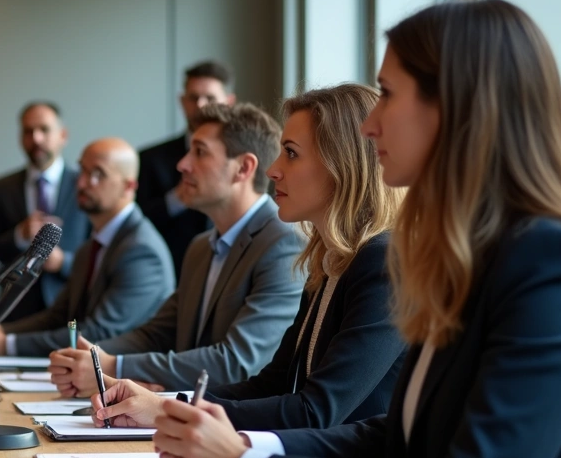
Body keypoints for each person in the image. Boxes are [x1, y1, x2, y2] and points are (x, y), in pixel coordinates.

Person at [152, 0, 561, 458]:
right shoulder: (468, 254)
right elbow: (399, 435)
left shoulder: (548, 261)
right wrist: (244, 446)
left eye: (387, 94)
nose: (370, 123)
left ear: (454, 105)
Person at [90, 84, 406, 431]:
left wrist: (167, 411)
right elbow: (271, 385)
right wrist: (163, 402)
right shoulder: (330, 261)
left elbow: (315, 412)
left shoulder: (382, 263)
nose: (273, 170)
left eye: (291, 153)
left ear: (340, 165)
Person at [50, 103, 304, 394]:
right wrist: (87, 355)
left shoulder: (283, 242)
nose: (182, 164)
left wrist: (110, 366)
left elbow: (236, 362)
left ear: (243, 168)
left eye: (200, 151)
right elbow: (156, 334)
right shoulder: (200, 248)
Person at [0, 138, 174, 356]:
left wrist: (9, 344)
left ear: (128, 186)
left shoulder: (141, 251)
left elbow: (100, 332)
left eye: (98, 174)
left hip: (126, 383)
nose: (82, 183)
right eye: (82, 170)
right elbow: (59, 316)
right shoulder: (90, 248)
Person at [0, 101, 90, 322]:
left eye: (44, 130)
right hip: (15, 309)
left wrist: (64, 262)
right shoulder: (2, 187)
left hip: (71, 306)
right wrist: (19, 235)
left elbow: (101, 249)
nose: (36, 138)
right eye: (28, 131)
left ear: (63, 135)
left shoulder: (84, 185)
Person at [137, 61, 235, 271]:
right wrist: (177, 199)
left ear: (228, 102)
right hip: (169, 272)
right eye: (193, 97)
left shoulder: (244, 159)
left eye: (209, 98)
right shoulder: (150, 159)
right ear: (182, 101)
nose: (200, 105)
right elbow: (137, 222)